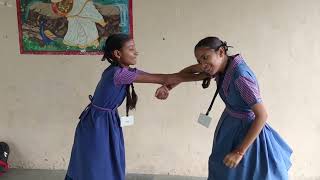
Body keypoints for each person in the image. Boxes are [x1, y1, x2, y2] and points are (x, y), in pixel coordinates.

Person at [65, 33, 209, 180]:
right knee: (96, 167)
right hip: (97, 125)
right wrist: (203, 75)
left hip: (103, 121)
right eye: (131, 49)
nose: (136, 52)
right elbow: (165, 78)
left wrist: (201, 68)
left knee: (105, 164)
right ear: (117, 53)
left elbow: (169, 77)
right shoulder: (119, 74)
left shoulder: (122, 71)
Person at [156, 37, 292, 180]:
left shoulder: (240, 77)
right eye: (199, 60)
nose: (202, 64)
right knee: (222, 169)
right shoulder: (223, 67)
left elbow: (262, 115)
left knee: (244, 173)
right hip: (230, 126)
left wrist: (239, 152)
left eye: (205, 57)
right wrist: (168, 87)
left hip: (246, 134)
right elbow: (190, 72)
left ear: (221, 52)